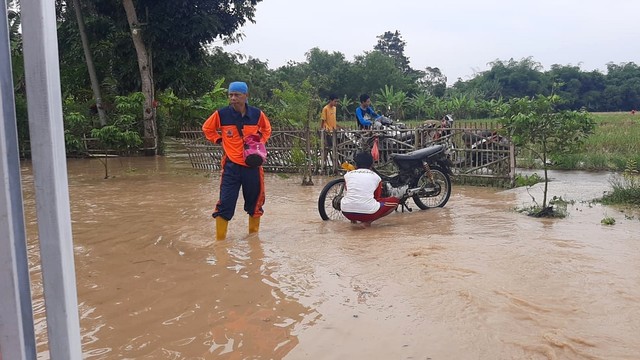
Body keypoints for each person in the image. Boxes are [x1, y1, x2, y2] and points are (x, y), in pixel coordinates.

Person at [202, 81, 272, 240]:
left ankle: (253, 242)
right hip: (230, 167)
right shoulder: (221, 114)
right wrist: (218, 140)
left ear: (246, 96)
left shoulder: (257, 114)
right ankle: (220, 244)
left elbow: (267, 128)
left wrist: (260, 141)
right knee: (225, 205)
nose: (233, 98)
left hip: (253, 166)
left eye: (237, 95)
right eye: (230, 95)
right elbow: (207, 128)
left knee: (255, 204)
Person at [340, 151, 399, 226]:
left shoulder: (348, 175)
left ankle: (353, 222)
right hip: (367, 214)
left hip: (346, 212)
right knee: (395, 201)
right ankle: (367, 222)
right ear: (372, 164)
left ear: (355, 164)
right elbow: (377, 197)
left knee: (350, 198)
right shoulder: (376, 177)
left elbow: (347, 190)